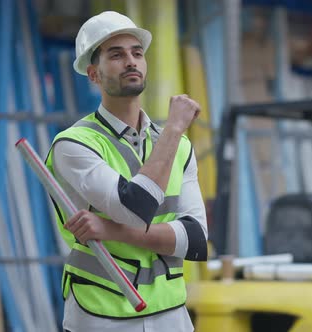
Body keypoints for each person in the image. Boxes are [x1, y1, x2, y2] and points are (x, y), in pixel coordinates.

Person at [45, 11, 208, 332]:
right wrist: (174, 127)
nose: (131, 61)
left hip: (170, 309)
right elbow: (135, 208)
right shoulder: (74, 144)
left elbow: (196, 240)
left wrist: (111, 230)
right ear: (93, 74)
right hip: (101, 310)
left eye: (137, 53)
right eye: (116, 55)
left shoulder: (181, 147)